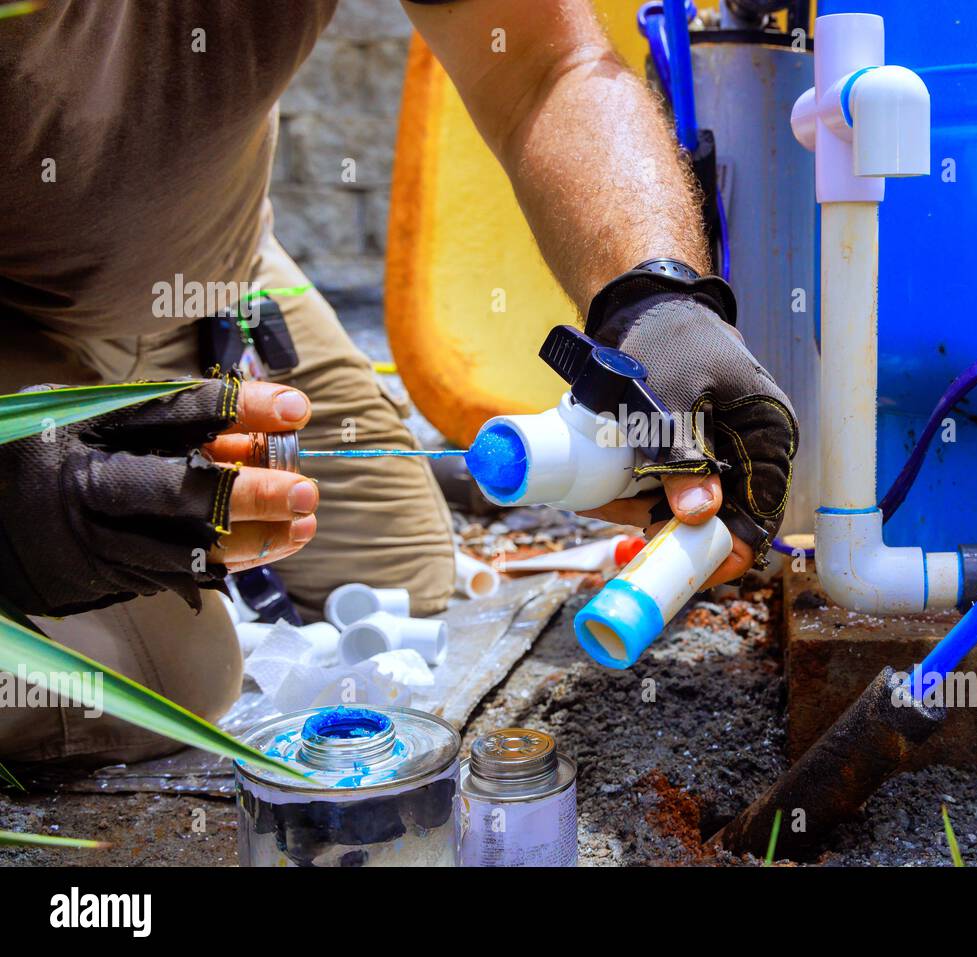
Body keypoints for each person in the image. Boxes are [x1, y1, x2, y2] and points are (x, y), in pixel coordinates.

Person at [0, 0, 797, 764]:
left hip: (213, 282)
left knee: (400, 576)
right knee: (182, 677)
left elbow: (546, 66)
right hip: (19, 324)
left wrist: (656, 302)